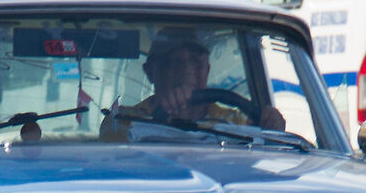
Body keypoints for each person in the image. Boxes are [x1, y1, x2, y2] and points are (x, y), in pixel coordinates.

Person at [108, 34, 283, 132]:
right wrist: (168, 116)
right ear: (151, 72)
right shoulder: (123, 121)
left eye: (196, 63)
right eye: (174, 62)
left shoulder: (237, 122)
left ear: (206, 70)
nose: (187, 71)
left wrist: (272, 125)